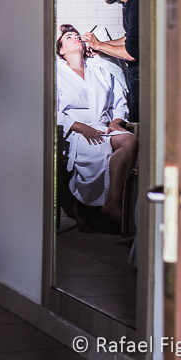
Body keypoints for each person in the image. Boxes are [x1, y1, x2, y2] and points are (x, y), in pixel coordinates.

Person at [56, 24, 138, 232]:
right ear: (61, 51)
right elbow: (48, 109)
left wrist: (117, 121)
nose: (75, 38)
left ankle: (112, 203)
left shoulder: (101, 70)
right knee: (98, 153)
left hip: (104, 128)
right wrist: (78, 126)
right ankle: (84, 206)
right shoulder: (55, 75)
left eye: (77, 36)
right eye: (68, 37)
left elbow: (119, 102)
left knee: (130, 140)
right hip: (73, 132)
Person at [80, 0, 140, 122]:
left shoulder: (137, 3)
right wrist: (100, 46)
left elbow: (132, 52)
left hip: (144, 79)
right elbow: (129, 38)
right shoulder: (128, 1)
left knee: (144, 128)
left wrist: (98, 45)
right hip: (138, 77)